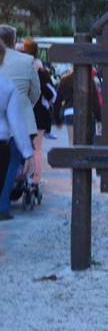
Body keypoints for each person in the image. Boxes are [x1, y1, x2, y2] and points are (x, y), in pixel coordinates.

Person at [0, 26, 39, 218]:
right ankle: (4, 204)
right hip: (20, 123)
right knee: (13, 163)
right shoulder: (26, 61)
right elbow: (36, 91)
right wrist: (26, 106)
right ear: (14, 40)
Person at [21, 38, 56, 189]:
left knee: (23, 145)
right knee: (37, 148)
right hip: (39, 115)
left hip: (21, 113)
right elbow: (53, 94)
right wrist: (45, 103)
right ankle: (35, 179)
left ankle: (23, 176)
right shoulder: (41, 72)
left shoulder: (19, 68)